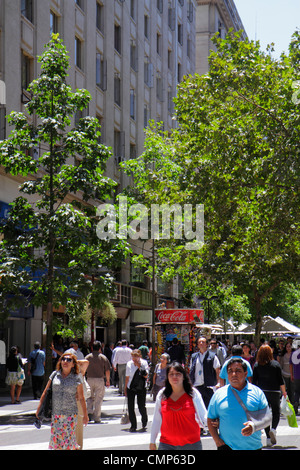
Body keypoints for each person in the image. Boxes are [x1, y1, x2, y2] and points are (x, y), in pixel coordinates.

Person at [207, 358, 271, 450]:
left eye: (238, 371)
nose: (234, 374)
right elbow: (210, 418)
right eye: (230, 371)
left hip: (253, 447)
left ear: (245, 374)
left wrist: (254, 426)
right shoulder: (218, 394)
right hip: (227, 447)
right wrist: (217, 440)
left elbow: (267, 418)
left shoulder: (257, 392)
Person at [36, 352, 88, 450]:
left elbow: (81, 398)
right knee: (56, 442)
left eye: (69, 360)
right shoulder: (55, 375)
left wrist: (85, 414)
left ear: (73, 364)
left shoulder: (76, 378)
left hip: (70, 415)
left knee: (68, 442)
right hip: (56, 414)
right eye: (63, 359)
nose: (65, 361)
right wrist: (39, 408)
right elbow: (45, 392)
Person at [150, 362, 207, 450]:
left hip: (191, 444)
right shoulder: (162, 394)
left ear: (184, 376)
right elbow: (156, 419)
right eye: (171, 374)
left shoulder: (193, 393)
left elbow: (204, 415)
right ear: (167, 377)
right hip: (166, 444)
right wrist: (152, 441)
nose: (174, 377)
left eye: (178, 374)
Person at [252, 344, 287, 446]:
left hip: (262, 392)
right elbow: (281, 380)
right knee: (276, 412)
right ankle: (274, 429)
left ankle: (268, 437)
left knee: (265, 414)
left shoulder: (257, 365)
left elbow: (254, 382)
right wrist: (284, 393)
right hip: (275, 391)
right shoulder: (275, 364)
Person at [189, 336, 221, 409]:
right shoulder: (194, 357)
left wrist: (218, 383)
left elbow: (217, 369)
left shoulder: (212, 356)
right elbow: (191, 370)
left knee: (208, 407)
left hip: (208, 386)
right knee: (198, 408)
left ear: (207, 344)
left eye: (203, 342)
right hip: (197, 385)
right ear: (197, 345)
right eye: (199, 342)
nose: (201, 343)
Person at [85, 340, 110, 423]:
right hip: (99, 379)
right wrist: (108, 380)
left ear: (92, 348)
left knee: (89, 397)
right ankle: (97, 417)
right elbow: (107, 370)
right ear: (100, 348)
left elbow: (83, 369)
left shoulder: (87, 357)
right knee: (99, 398)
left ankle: (89, 413)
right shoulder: (103, 357)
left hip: (89, 379)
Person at [125, 349, 149, 432]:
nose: (134, 358)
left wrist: (139, 366)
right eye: (133, 356)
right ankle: (133, 425)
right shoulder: (129, 364)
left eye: (136, 356)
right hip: (131, 387)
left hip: (141, 387)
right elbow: (127, 377)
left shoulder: (144, 363)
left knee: (141, 405)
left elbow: (146, 375)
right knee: (130, 407)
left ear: (140, 356)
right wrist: (125, 388)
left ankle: (144, 419)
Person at [289, 344, 300, 415]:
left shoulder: (293, 354)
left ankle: (296, 402)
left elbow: (290, 365)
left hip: (296, 375)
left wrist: (291, 375)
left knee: (296, 391)